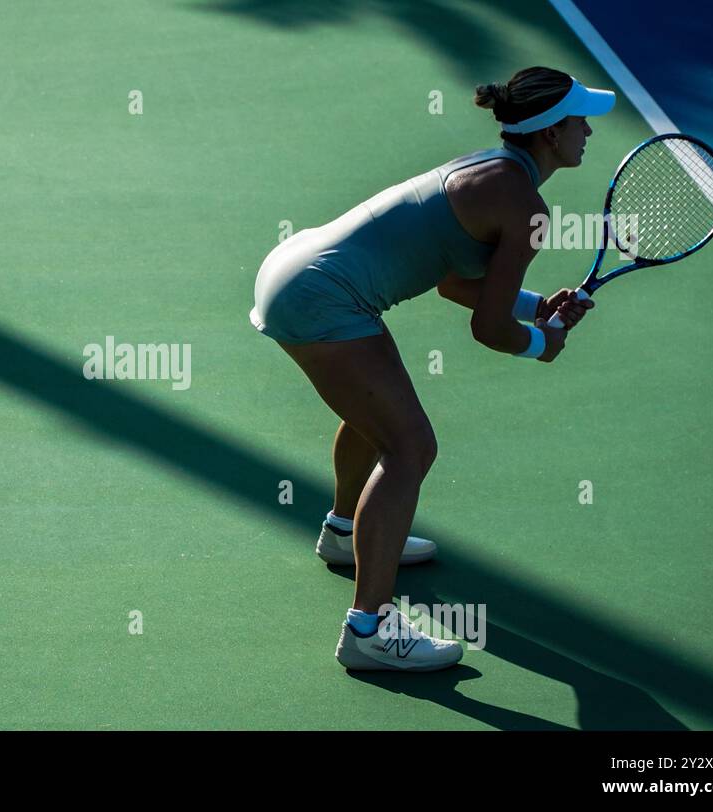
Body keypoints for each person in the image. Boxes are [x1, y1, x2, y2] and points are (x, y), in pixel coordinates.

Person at [249, 67, 614, 671]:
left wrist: (536, 309)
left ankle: (345, 533)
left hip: (296, 268)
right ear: (550, 132)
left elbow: (452, 279)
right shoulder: (525, 206)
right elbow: (488, 329)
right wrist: (540, 344)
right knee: (411, 446)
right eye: (580, 120)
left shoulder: (490, 171)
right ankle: (368, 629)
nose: (588, 131)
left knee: (378, 419)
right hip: (324, 295)